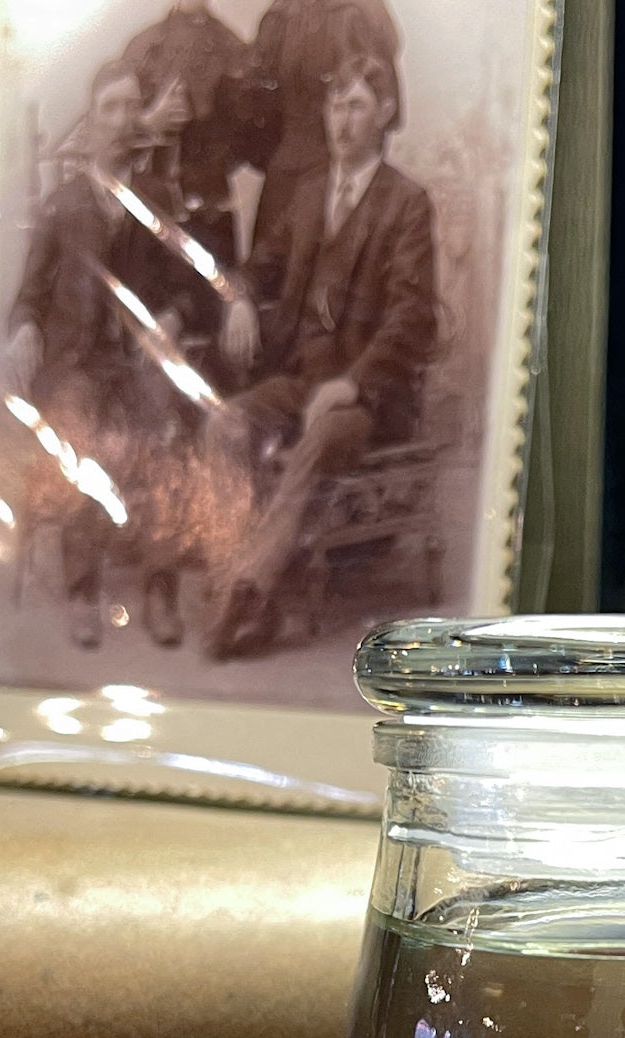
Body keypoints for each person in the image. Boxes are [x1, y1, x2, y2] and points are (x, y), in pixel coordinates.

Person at [202, 52, 436, 660]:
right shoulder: (307, 196)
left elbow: (413, 318)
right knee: (224, 423)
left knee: (326, 433)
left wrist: (354, 384)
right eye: (335, 104)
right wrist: (241, 300)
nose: (341, 120)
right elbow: (257, 267)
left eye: (356, 105)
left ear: (385, 114)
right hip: (300, 378)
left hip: (369, 398)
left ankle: (251, 593)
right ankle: (241, 571)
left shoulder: (406, 205)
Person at [5, 60, 189, 650]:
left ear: (140, 121)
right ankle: (83, 591)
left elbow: (187, 283)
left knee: (163, 426)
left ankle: (160, 588)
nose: (119, 119)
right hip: (73, 367)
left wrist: (173, 316)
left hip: (135, 363)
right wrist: (25, 329)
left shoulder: (158, 199)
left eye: (129, 106)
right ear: (91, 123)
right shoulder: (63, 206)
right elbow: (28, 296)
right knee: (81, 427)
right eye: (107, 107)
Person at [241, 0, 403, 255]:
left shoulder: (359, 12)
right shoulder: (280, 14)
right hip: (285, 173)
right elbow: (257, 105)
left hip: (340, 175)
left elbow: (380, 111)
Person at [123, 0, 251, 280]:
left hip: (211, 211)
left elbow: (249, 140)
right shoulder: (144, 48)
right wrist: (148, 122)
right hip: (150, 208)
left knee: (211, 305)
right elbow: (111, 132)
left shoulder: (232, 49)